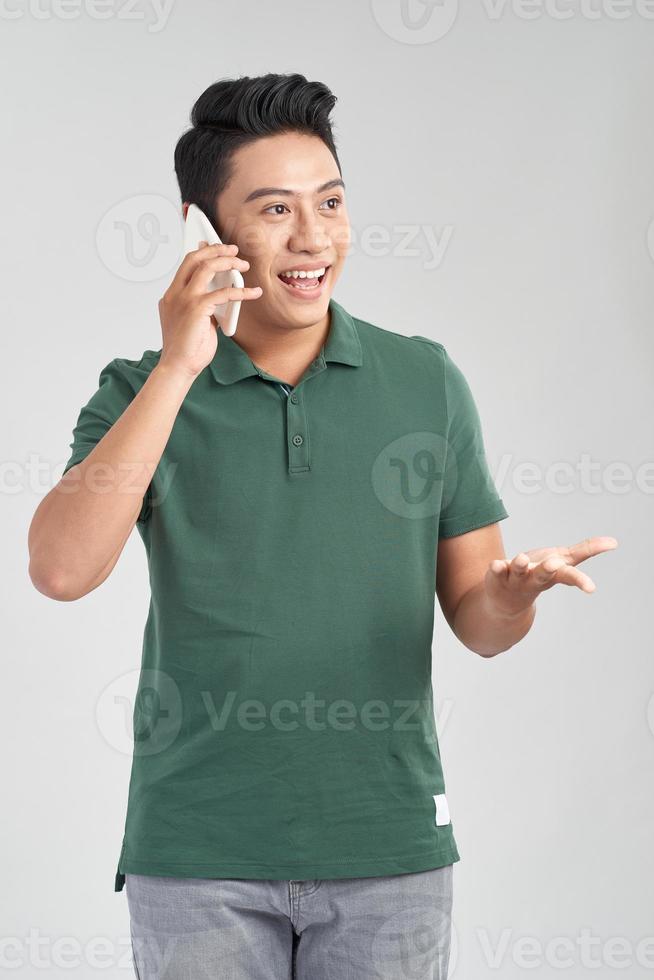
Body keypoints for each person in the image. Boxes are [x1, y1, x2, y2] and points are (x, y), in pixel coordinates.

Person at [27, 72, 618, 980]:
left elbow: (482, 627)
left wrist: (511, 596)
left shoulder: (424, 379)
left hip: (388, 849)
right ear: (205, 232)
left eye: (331, 203)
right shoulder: (137, 392)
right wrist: (182, 365)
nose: (313, 239)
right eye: (274, 210)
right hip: (197, 855)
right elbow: (62, 571)